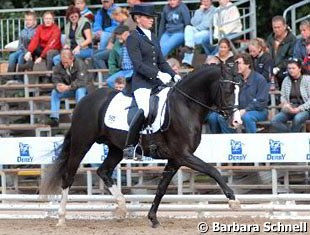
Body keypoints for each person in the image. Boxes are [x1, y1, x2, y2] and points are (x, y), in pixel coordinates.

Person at [123, 4, 180, 159]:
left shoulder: (153, 37)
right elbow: (138, 64)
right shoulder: (132, 38)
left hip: (156, 83)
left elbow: (161, 61)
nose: (152, 20)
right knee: (145, 110)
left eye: (152, 18)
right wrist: (158, 75)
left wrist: (174, 75)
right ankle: (131, 146)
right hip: (141, 83)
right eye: (148, 17)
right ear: (138, 19)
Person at [207, 53, 269, 133]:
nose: (236, 66)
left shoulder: (260, 79)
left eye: (239, 63)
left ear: (247, 65)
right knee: (214, 117)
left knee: (247, 117)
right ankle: (226, 141)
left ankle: (253, 142)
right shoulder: (235, 79)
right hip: (236, 109)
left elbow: (261, 101)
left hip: (258, 111)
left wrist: (246, 109)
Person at [46, 49, 89, 127]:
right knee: (55, 93)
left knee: (80, 91)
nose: (64, 64)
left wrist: (69, 87)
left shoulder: (80, 64)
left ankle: (80, 116)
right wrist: (58, 85)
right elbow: (55, 78)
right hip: (68, 88)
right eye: (63, 62)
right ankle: (54, 117)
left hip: (82, 88)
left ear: (72, 58)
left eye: (66, 62)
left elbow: (82, 81)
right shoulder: (59, 65)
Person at [270, 57, 310, 133]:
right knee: (274, 121)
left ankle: (292, 138)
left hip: (305, 109)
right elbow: (283, 96)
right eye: (289, 68)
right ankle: (290, 135)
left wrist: (299, 109)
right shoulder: (286, 80)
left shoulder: (307, 80)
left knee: (298, 118)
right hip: (290, 108)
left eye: (293, 68)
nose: (291, 70)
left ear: (299, 69)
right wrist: (286, 105)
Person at [181, 0, 216, 68]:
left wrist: (198, 27)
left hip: (208, 32)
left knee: (191, 39)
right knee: (188, 28)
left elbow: (208, 25)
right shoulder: (198, 11)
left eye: (207, 1)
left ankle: (187, 60)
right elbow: (193, 22)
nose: (205, 3)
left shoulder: (215, 10)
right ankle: (189, 47)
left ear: (211, 2)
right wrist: (200, 12)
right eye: (203, 1)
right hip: (197, 30)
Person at [5, 11, 37, 83]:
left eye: (30, 20)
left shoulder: (36, 31)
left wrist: (26, 52)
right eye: (26, 20)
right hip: (21, 50)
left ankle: (19, 78)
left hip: (30, 52)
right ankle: (10, 77)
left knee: (21, 57)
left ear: (34, 21)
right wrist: (20, 50)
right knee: (12, 56)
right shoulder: (22, 31)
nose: (27, 22)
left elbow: (33, 43)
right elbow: (20, 44)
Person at [266, 15, 296, 88]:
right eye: (274, 27)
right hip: (271, 69)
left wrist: (278, 68)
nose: (276, 30)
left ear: (285, 26)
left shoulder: (292, 40)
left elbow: (290, 57)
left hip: (285, 70)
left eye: (278, 27)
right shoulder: (270, 39)